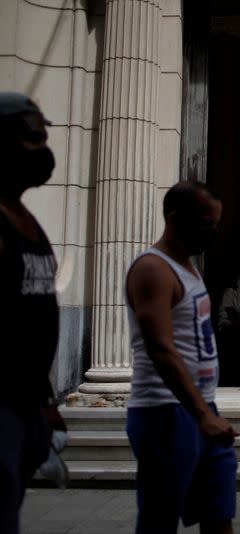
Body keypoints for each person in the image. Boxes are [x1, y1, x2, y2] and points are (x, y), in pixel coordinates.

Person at [125, 181, 239, 534]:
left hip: (201, 408)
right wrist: (201, 413)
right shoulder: (153, 269)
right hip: (164, 411)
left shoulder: (188, 266)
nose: (213, 231)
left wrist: (206, 411)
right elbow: (159, 347)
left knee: (219, 514)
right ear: (174, 219)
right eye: (206, 222)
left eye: (216, 223)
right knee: (159, 520)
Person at [0, 92, 67, 534]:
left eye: (44, 138)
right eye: (31, 139)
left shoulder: (24, 216)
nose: (43, 151)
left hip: (27, 403)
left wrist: (46, 401)